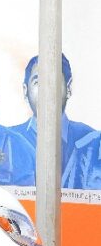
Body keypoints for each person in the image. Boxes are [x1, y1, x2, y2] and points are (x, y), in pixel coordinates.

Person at [7, 54, 100, 189]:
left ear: (68, 88)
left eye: (54, 81)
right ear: (25, 91)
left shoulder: (92, 142)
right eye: (38, 82)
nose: (47, 90)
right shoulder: (8, 140)